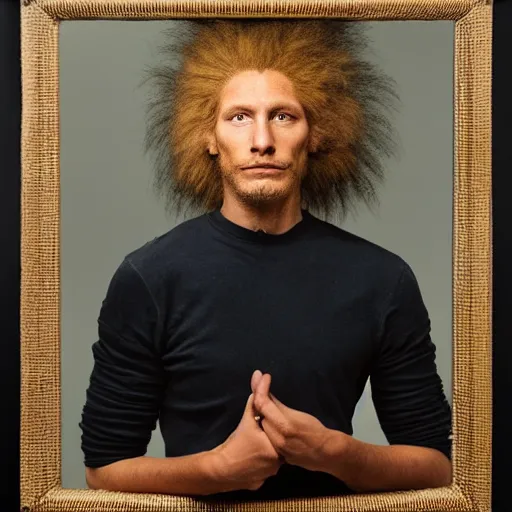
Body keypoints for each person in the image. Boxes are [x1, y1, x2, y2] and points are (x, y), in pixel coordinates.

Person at [79, 19, 452, 500]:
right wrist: (217, 469)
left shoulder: (383, 279)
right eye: (238, 117)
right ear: (208, 138)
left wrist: (335, 452)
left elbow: (436, 468)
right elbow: (102, 472)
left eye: (283, 116)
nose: (261, 140)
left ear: (316, 134)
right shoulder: (148, 277)